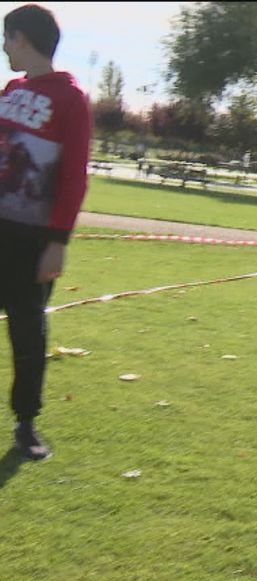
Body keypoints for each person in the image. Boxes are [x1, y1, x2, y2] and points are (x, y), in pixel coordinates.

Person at [0, 5, 91, 461]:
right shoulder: (9, 91)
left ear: (21, 37)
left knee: (27, 332)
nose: (3, 48)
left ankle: (26, 425)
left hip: (30, 241)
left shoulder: (71, 99)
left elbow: (74, 176)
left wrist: (57, 242)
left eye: (6, 38)